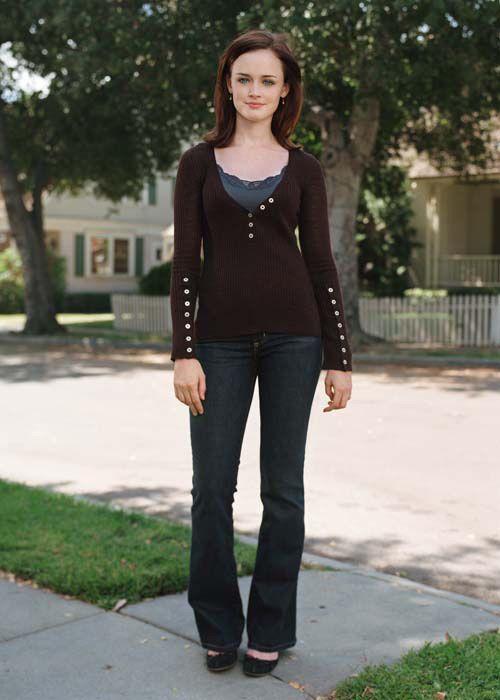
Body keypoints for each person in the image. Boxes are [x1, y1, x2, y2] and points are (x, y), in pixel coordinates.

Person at [170, 28, 352, 677]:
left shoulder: (303, 169)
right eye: (243, 78)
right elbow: (186, 263)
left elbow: (322, 265)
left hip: (294, 342)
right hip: (215, 343)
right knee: (211, 489)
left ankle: (270, 627)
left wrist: (339, 357)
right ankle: (218, 625)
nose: (254, 90)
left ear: (285, 91)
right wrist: (182, 351)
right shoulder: (198, 162)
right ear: (227, 84)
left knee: (285, 491)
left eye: (267, 80)